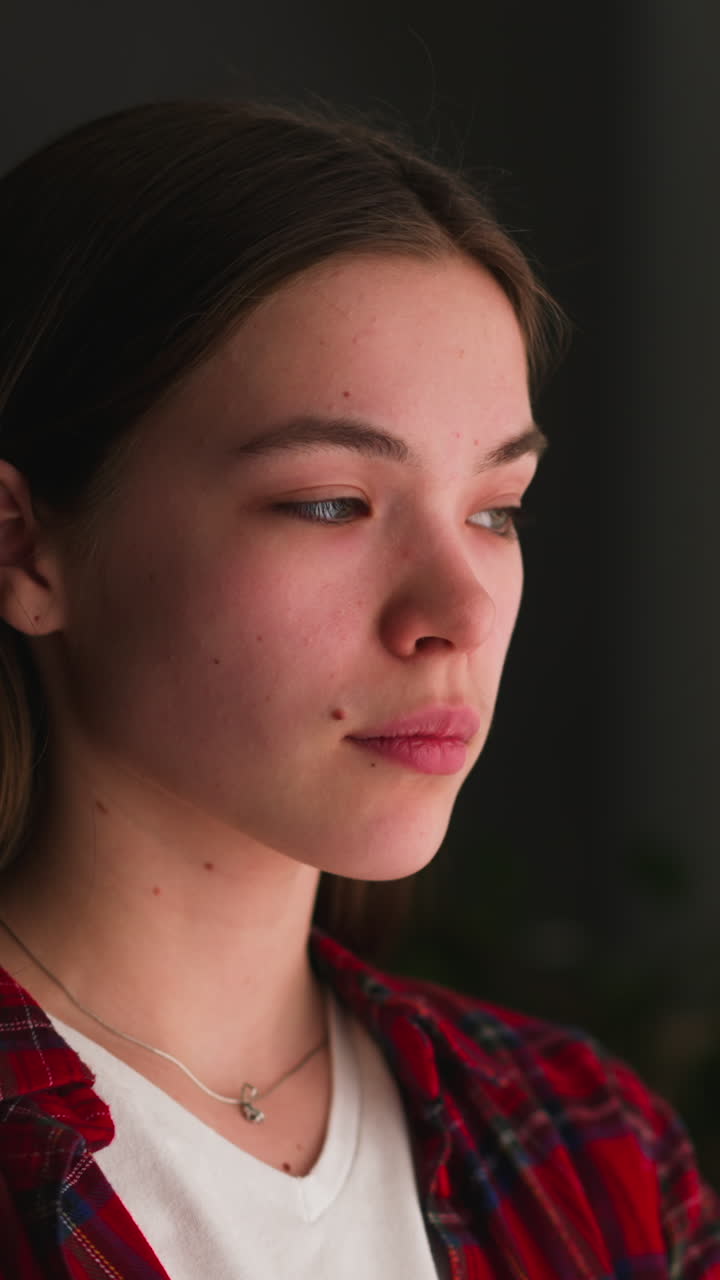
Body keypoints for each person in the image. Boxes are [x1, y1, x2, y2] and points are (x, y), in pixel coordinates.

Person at [0, 97, 716, 1280]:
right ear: (25, 547)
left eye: (496, 510)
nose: (459, 613)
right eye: (331, 502)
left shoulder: (596, 1154)